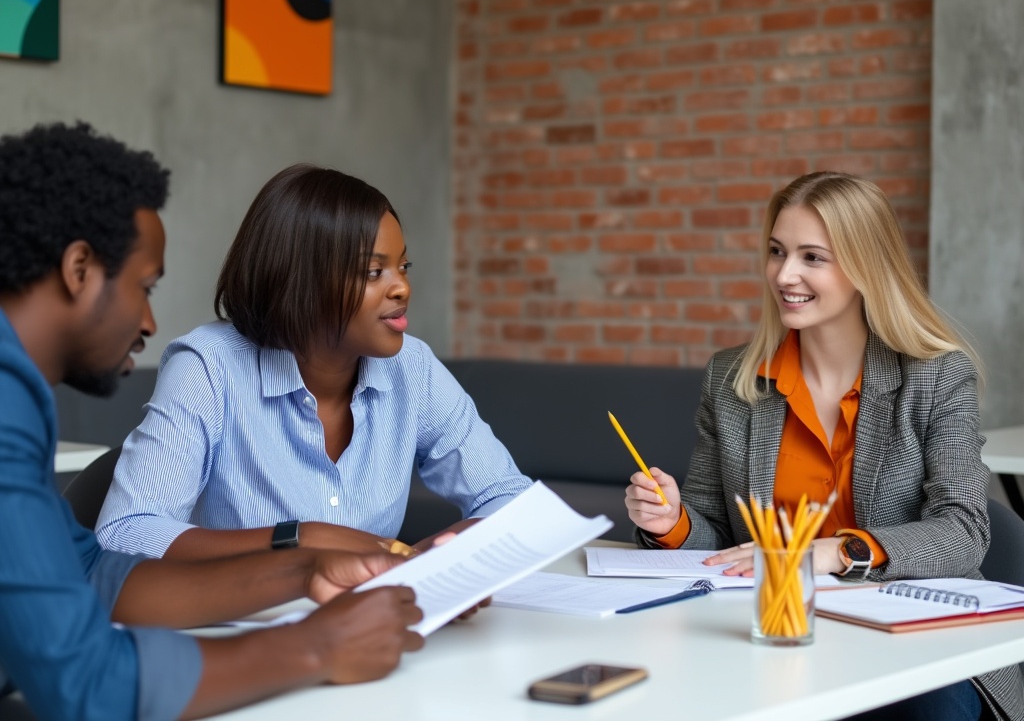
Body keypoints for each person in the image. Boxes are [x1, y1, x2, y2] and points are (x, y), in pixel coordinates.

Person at [0, 122, 425, 721]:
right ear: (78, 269)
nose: (149, 322)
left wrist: (305, 569)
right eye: (145, 287)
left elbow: (95, 575)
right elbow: (87, 686)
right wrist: (315, 647)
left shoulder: (20, 396)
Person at [624, 172, 1022, 721]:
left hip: (912, 641)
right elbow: (717, 531)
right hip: (776, 634)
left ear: (865, 266)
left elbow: (963, 531)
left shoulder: (935, 375)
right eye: (777, 252)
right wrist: (671, 521)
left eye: (813, 257)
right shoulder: (731, 379)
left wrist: (835, 552)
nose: (785, 275)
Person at [96, 162, 532, 562]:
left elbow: (509, 494)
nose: (402, 288)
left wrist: (443, 556)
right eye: (373, 272)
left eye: (403, 266)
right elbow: (125, 533)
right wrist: (299, 537)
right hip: (245, 633)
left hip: (374, 627)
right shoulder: (209, 368)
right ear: (298, 280)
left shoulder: (412, 367)